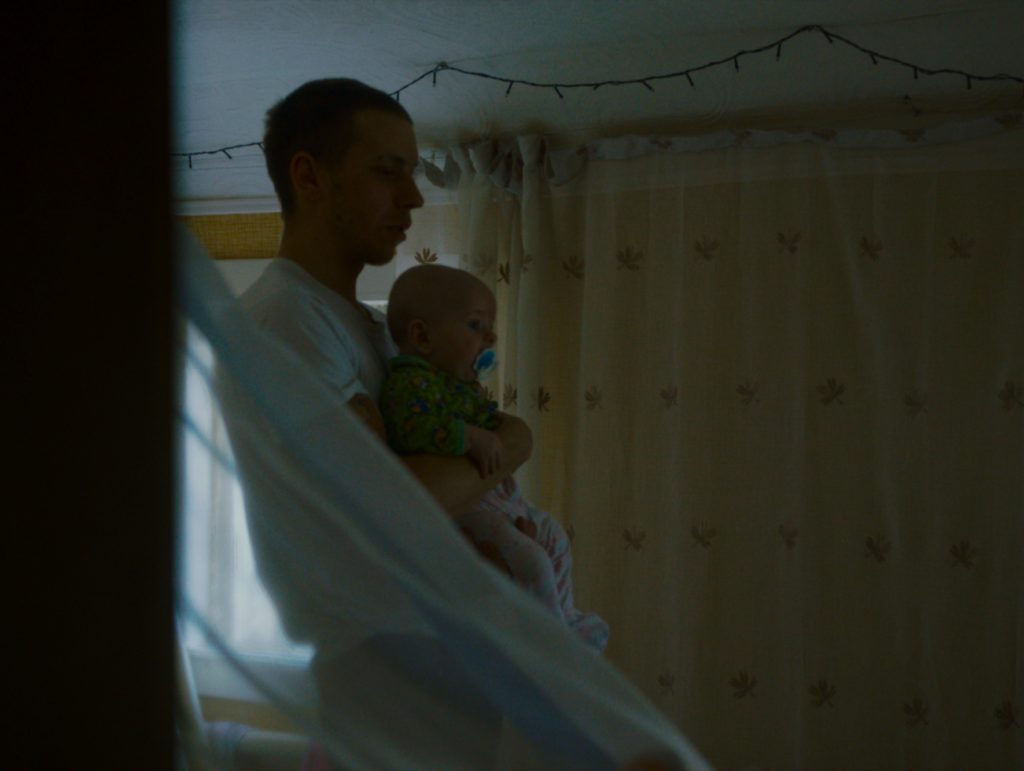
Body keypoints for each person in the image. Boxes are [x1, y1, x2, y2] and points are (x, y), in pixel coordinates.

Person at [380, 264, 609, 651]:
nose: (490, 337)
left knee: (554, 537)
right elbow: (410, 428)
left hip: (499, 497)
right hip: (468, 508)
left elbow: (500, 429)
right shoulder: (409, 383)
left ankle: (566, 620)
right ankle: (555, 650)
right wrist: (468, 436)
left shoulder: (456, 384)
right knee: (532, 561)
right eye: (475, 325)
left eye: (489, 328)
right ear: (422, 336)